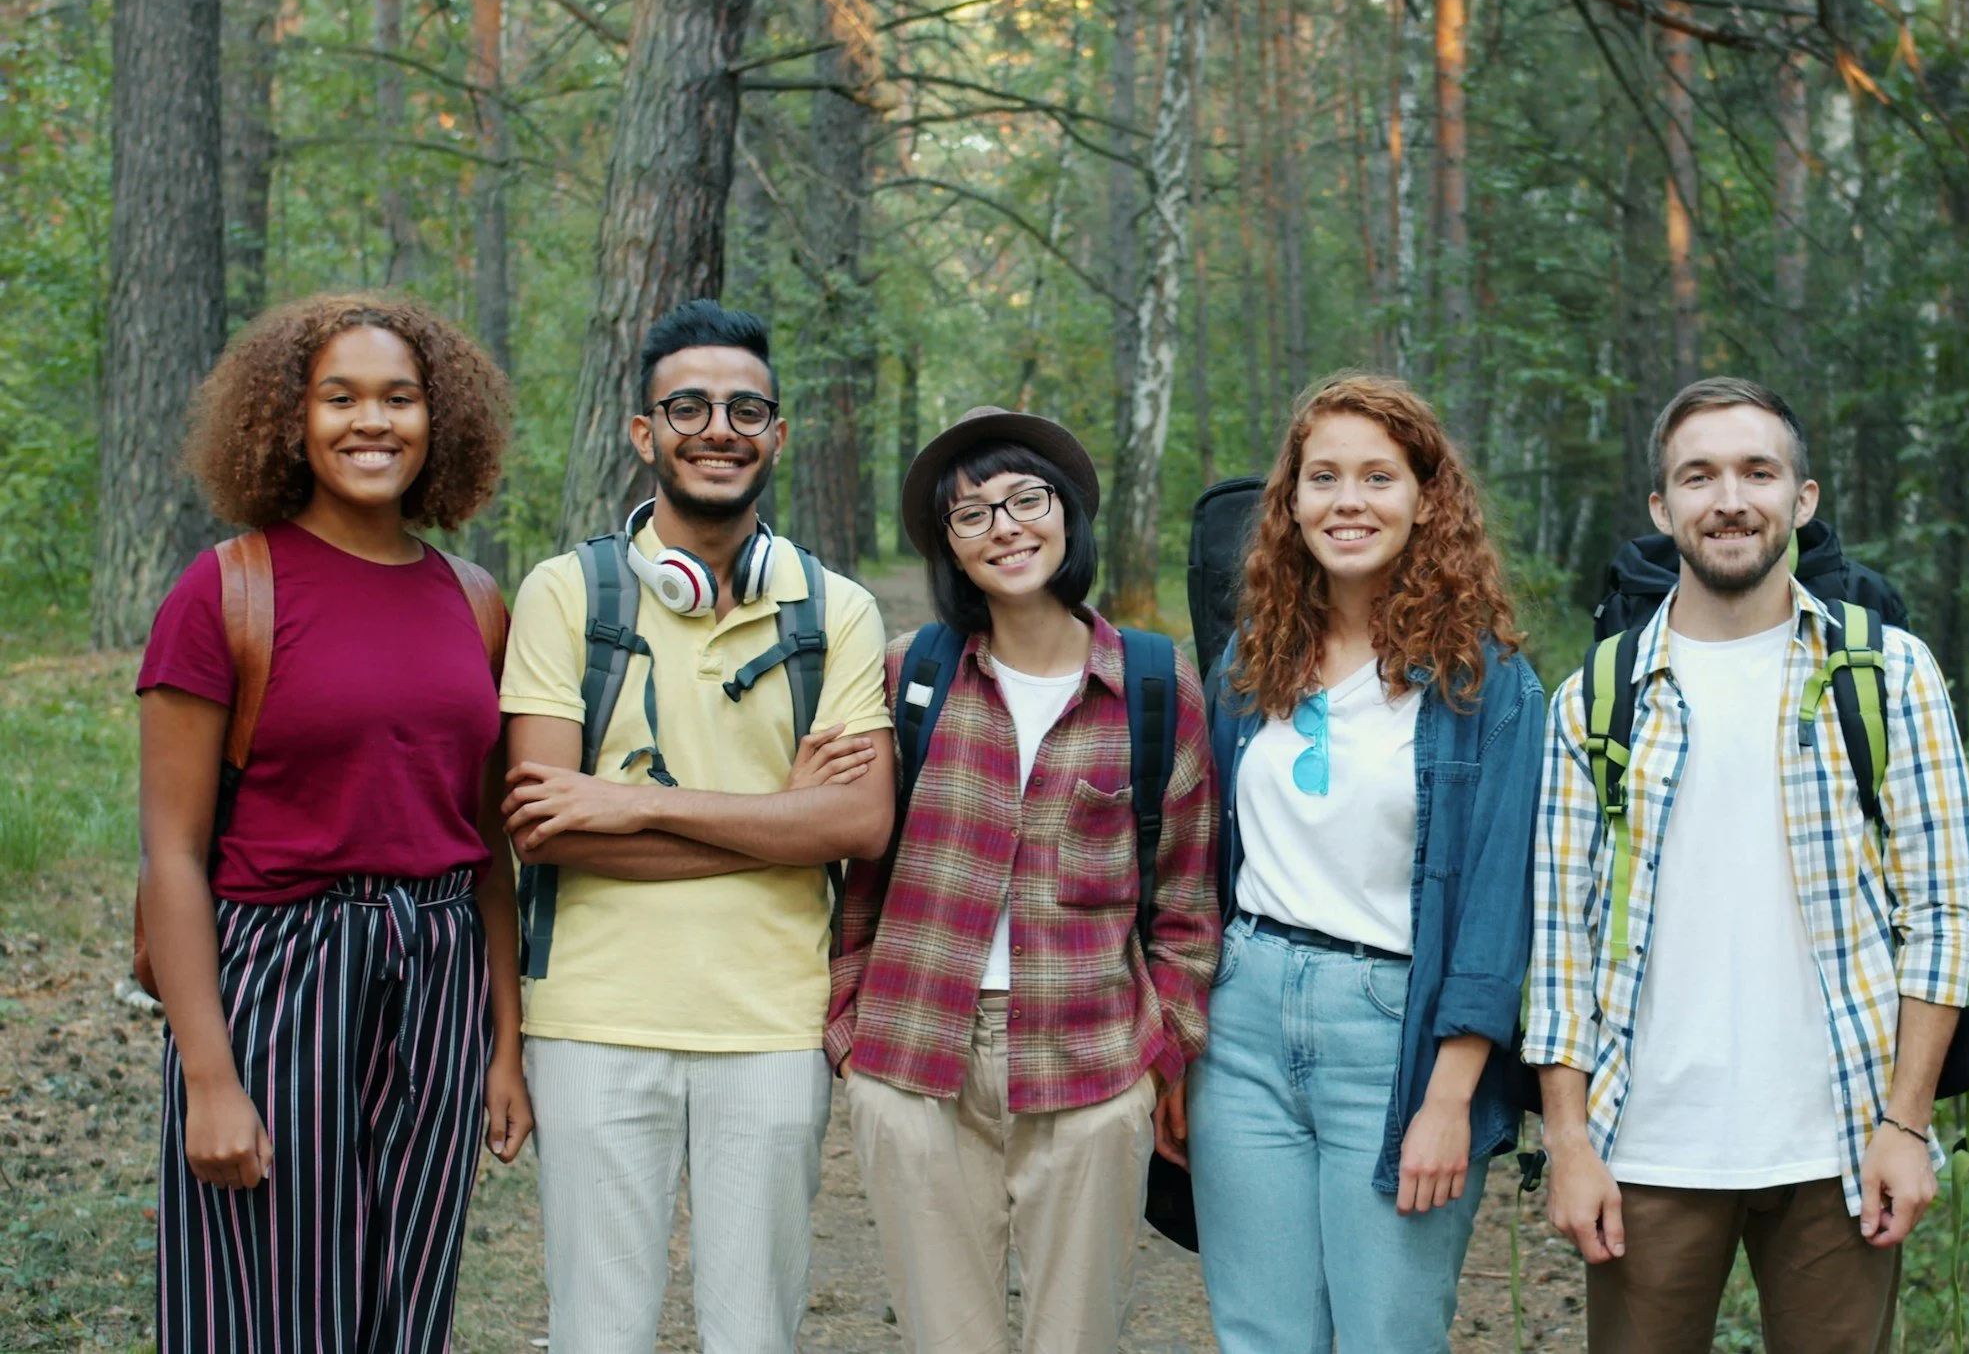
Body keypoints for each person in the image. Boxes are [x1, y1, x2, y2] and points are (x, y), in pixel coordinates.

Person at [1526, 377, 1969, 1354]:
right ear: (1662, 507)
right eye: (1699, 475)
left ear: (1801, 497)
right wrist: (1567, 1140)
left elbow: (1939, 911)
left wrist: (1904, 1121)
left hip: (1840, 1148)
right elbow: (1557, 941)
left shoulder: (1888, 672)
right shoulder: (1594, 697)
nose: (1728, 497)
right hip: (1644, 1150)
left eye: (1755, 471)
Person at [498, 299, 895, 1353]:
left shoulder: (836, 609)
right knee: (597, 1328)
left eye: (745, 407)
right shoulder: (564, 594)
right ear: (644, 432)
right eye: (688, 405)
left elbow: (859, 818)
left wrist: (632, 800)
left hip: (771, 1020)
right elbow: (543, 822)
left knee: (754, 1330)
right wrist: (780, 819)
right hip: (590, 1016)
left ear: (778, 432)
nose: (718, 426)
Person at [138, 293, 528, 1352]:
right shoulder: (227, 591)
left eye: (400, 396)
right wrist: (211, 1079)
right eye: (340, 397)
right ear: (288, 420)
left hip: (439, 967)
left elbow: (488, 843)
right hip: (281, 966)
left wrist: (503, 1043)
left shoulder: (478, 599)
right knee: (258, 1303)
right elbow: (172, 856)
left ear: (437, 418)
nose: (373, 422)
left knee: (404, 1299)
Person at [825, 406, 1221, 1354]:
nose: (1003, 527)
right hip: (914, 1064)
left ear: (1068, 515)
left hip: (1091, 1074)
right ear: (950, 550)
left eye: (1024, 501)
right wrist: (849, 1027)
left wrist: (1158, 1055)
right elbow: (846, 863)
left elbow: (1188, 911)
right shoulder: (904, 680)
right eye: (971, 516)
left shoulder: (1158, 691)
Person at [1188, 374, 1544, 1353]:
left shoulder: (1487, 683)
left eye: (1378, 476)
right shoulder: (1253, 660)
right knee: (1262, 1332)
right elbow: (1206, 856)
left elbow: (1498, 909)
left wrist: (1447, 1097)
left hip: (1397, 1036)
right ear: (1290, 501)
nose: (1348, 500)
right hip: (1245, 1019)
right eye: (1323, 476)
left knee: (1385, 1334)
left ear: (1427, 497)